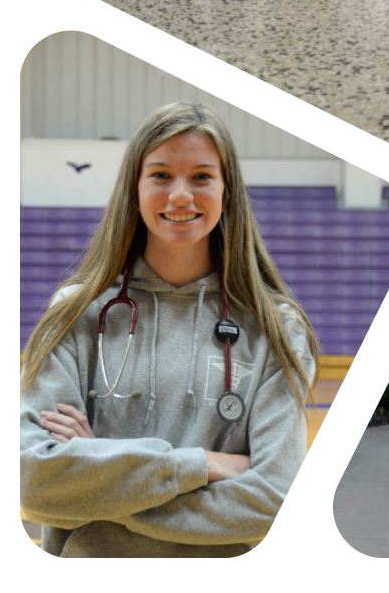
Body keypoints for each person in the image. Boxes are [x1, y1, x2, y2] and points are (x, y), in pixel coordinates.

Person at [19, 103, 320, 557]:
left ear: (227, 191)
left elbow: (275, 499)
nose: (181, 195)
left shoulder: (276, 328)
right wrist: (205, 465)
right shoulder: (74, 314)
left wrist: (99, 473)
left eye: (201, 176)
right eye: (160, 175)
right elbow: (35, 482)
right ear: (134, 190)